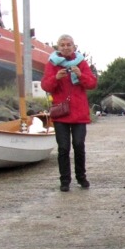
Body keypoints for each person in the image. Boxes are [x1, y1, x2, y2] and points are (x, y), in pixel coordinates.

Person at [41, 34, 97, 192]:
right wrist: (56, 78)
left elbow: (92, 83)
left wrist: (80, 74)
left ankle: (81, 177)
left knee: (79, 146)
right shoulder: (52, 64)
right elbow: (46, 85)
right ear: (58, 47)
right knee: (63, 148)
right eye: (62, 45)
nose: (66, 47)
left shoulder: (81, 63)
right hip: (61, 113)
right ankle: (64, 180)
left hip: (79, 113)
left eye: (69, 44)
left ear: (74, 47)